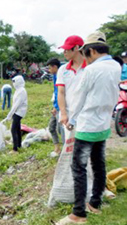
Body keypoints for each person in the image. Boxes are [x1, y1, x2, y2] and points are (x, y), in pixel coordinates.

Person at [56, 31, 121, 225]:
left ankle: (78, 214)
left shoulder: (91, 70)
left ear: (91, 51)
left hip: (87, 126)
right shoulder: (116, 66)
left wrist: (71, 120)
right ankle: (94, 203)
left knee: (79, 168)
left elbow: (80, 99)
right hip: (103, 125)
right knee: (98, 163)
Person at [56, 35, 87, 129]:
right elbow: (61, 92)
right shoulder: (63, 69)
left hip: (86, 115)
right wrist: (63, 114)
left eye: (67, 49)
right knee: (69, 143)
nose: (64, 52)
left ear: (77, 48)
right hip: (68, 116)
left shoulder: (90, 68)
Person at [1, 75, 27, 153]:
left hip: (19, 112)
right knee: (17, 129)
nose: (13, 84)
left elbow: (17, 104)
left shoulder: (22, 90)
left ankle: (15, 149)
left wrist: (9, 115)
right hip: (17, 111)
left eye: (14, 82)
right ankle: (19, 145)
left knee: (13, 130)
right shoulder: (18, 90)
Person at [46, 58, 64, 157]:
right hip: (56, 106)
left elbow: (60, 93)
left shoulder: (61, 76)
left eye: (49, 68)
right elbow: (55, 93)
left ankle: (66, 150)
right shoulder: (54, 76)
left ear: (55, 67)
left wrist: (57, 107)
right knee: (51, 127)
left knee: (61, 129)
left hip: (61, 107)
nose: (49, 70)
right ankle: (57, 149)